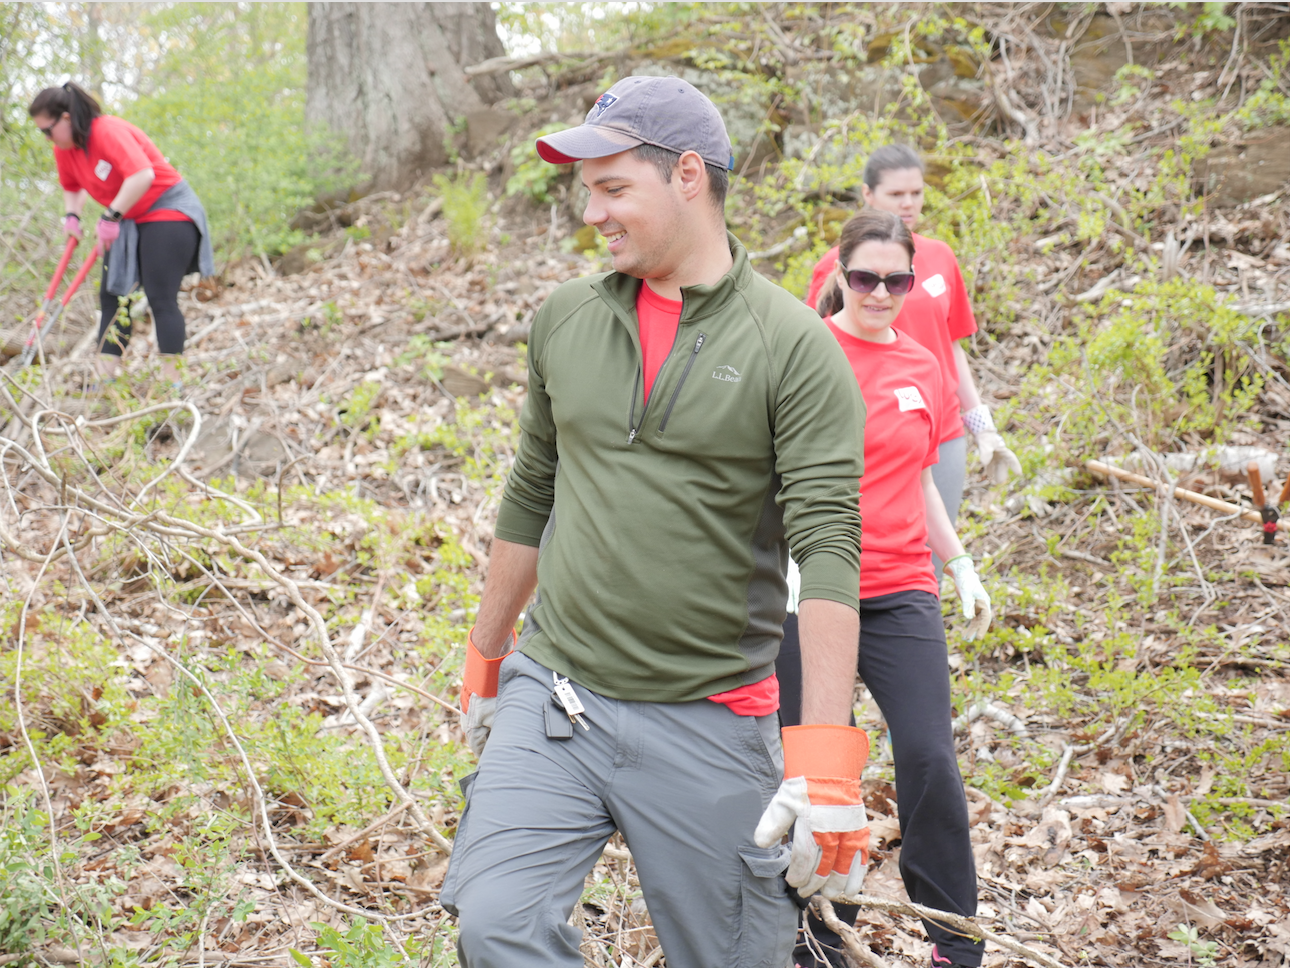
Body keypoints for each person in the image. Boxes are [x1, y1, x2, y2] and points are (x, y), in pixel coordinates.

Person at [440, 75, 872, 968]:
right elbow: (531, 491)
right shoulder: (564, 320)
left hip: (709, 715)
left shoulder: (793, 347)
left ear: (686, 176)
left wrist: (827, 767)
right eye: (586, 190)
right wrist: (487, 662)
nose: (591, 214)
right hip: (558, 694)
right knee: (497, 927)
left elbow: (829, 549)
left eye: (611, 188)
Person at [782, 210, 992, 968]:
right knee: (815, 773)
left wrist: (959, 561)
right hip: (813, 592)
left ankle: (954, 942)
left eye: (896, 279)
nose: (879, 291)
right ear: (838, 273)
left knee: (931, 758)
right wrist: (783, 559)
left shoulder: (922, 362)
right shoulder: (806, 351)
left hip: (903, 587)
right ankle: (816, 940)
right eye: (865, 276)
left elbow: (921, 478)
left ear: (912, 279)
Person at [806, 145, 1021, 545]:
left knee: (935, 556)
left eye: (916, 193)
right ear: (868, 196)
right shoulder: (840, 265)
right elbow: (813, 350)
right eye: (896, 194)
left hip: (941, 430)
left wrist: (983, 427)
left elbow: (952, 349)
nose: (908, 203)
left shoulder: (939, 257)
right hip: (868, 431)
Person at [29, 81, 213, 384]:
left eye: (46, 130)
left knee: (160, 296)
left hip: (167, 208)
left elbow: (142, 175)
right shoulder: (65, 149)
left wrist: (111, 216)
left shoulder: (107, 131)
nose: (46, 137)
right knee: (113, 295)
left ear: (65, 118)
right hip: (130, 217)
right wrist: (72, 217)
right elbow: (72, 186)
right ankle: (104, 379)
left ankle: (172, 384)